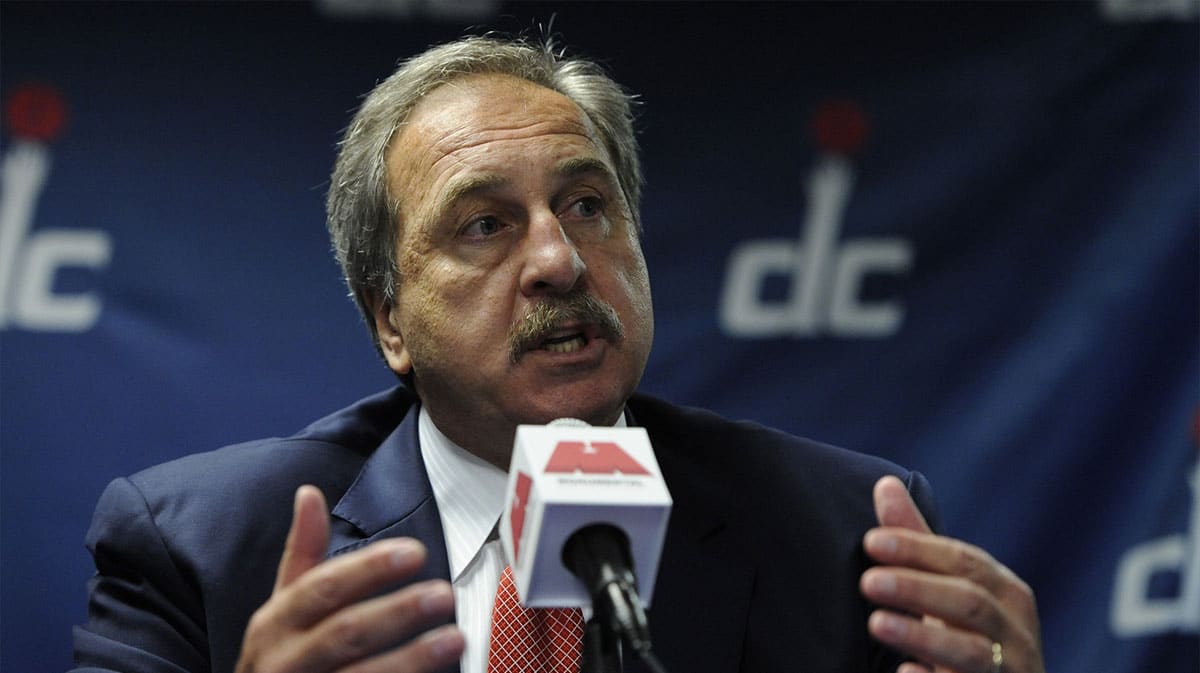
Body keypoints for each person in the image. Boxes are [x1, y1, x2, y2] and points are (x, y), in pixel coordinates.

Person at [72, 35, 1045, 673]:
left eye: (588, 205)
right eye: (486, 224)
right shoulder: (198, 554)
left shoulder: (846, 540)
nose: (559, 260)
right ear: (391, 324)